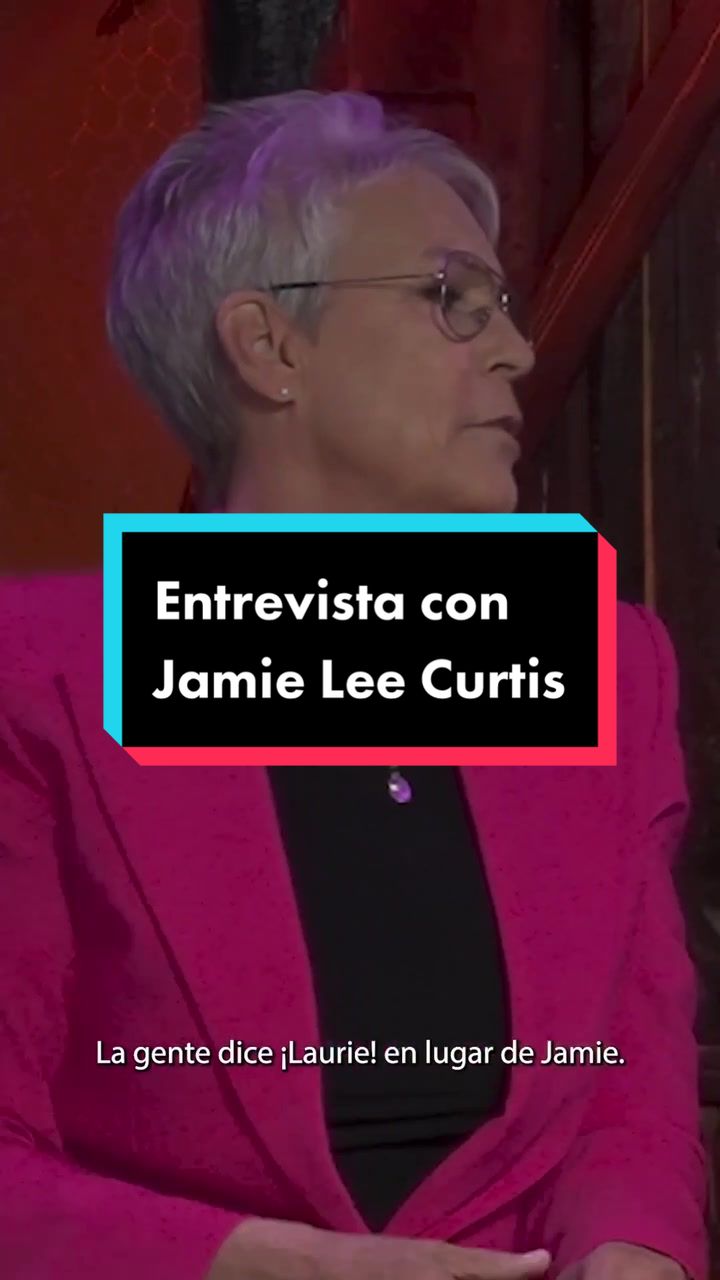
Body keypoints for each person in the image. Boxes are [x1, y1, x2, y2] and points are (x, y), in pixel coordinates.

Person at [0, 91, 708, 1280]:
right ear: (269, 346)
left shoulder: (606, 664)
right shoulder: (43, 678)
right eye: (452, 299)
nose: (517, 350)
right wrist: (262, 1264)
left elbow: (625, 1099)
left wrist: (636, 1252)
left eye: (503, 307)